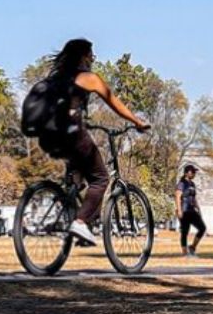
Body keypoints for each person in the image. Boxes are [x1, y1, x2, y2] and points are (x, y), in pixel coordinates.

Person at [39, 39, 150, 246]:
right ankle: (80, 222)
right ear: (82, 57)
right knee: (100, 179)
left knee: (79, 182)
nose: (92, 59)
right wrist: (137, 121)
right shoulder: (89, 78)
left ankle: (81, 227)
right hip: (73, 132)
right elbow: (114, 102)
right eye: (91, 55)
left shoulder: (57, 78)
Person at [176, 164, 206, 257]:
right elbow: (177, 197)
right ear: (186, 173)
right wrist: (179, 210)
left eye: (194, 172)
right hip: (184, 210)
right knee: (185, 231)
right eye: (192, 172)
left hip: (192, 210)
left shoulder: (192, 184)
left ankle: (192, 247)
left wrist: (198, 208)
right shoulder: (181, 183)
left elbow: (193, 197)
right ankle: (185, 253)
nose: (194, 174)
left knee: (202, 228)